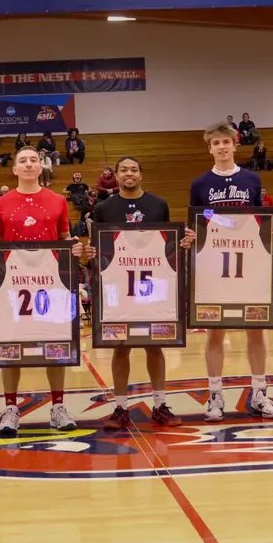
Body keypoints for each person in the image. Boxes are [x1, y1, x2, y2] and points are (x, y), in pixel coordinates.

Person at [86, 156, 193, 429]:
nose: (129, 174)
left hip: (151, 288)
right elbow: (99, 249)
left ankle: (160, 405)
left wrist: (180, 244)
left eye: (134, 169)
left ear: (141, 175)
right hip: (120, 289)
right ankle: (121, 408)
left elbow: (166, 243)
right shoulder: (104, 208)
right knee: (120, 348)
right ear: (116, 176)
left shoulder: (158, 204)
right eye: (123, 170)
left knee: (155, 346)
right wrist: (91, 252)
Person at [0, 145, 82, 436]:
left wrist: (75, 247)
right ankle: (11, 408)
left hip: (50, 284)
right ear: (15, 168)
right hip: (12, 285)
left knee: (55, 344)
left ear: (41, 166)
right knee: (10, 345)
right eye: (23, 161)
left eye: (33, 160)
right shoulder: (0, 204)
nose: (28, 164)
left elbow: (65, 238)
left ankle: (58, 407)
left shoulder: (58, 201)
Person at [189, 122, 273, 421]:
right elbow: (199, 220)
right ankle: (215, 396)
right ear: (210, 148)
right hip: (215, 265)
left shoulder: (251, 179)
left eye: (226, 142)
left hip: (249, 263)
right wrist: (222, 225)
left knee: (256, 329)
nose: (222, 147)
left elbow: (260, 219)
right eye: (216, 143)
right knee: (215, 331)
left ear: (235, 144)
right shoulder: (200, 184)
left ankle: (260, 392)